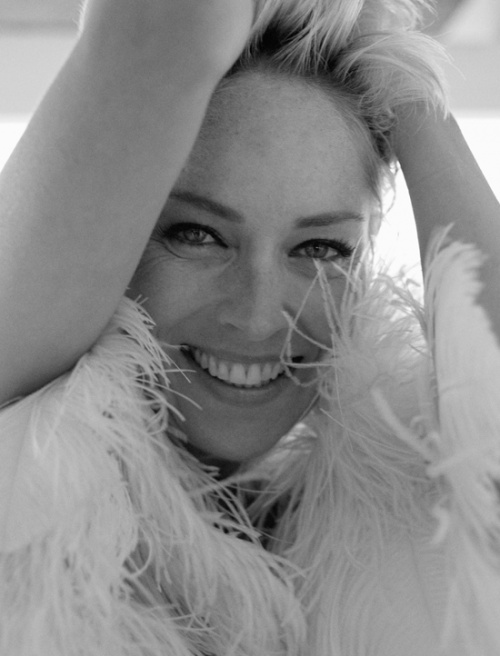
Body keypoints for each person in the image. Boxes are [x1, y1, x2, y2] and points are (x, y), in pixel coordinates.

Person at [1, 0, 500, 654]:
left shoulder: (412, 513)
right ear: (112, 239)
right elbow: (167, 34)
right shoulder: (23, 447)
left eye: (320, 248)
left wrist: (407, 92)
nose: (259, 315)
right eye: (197, 235)